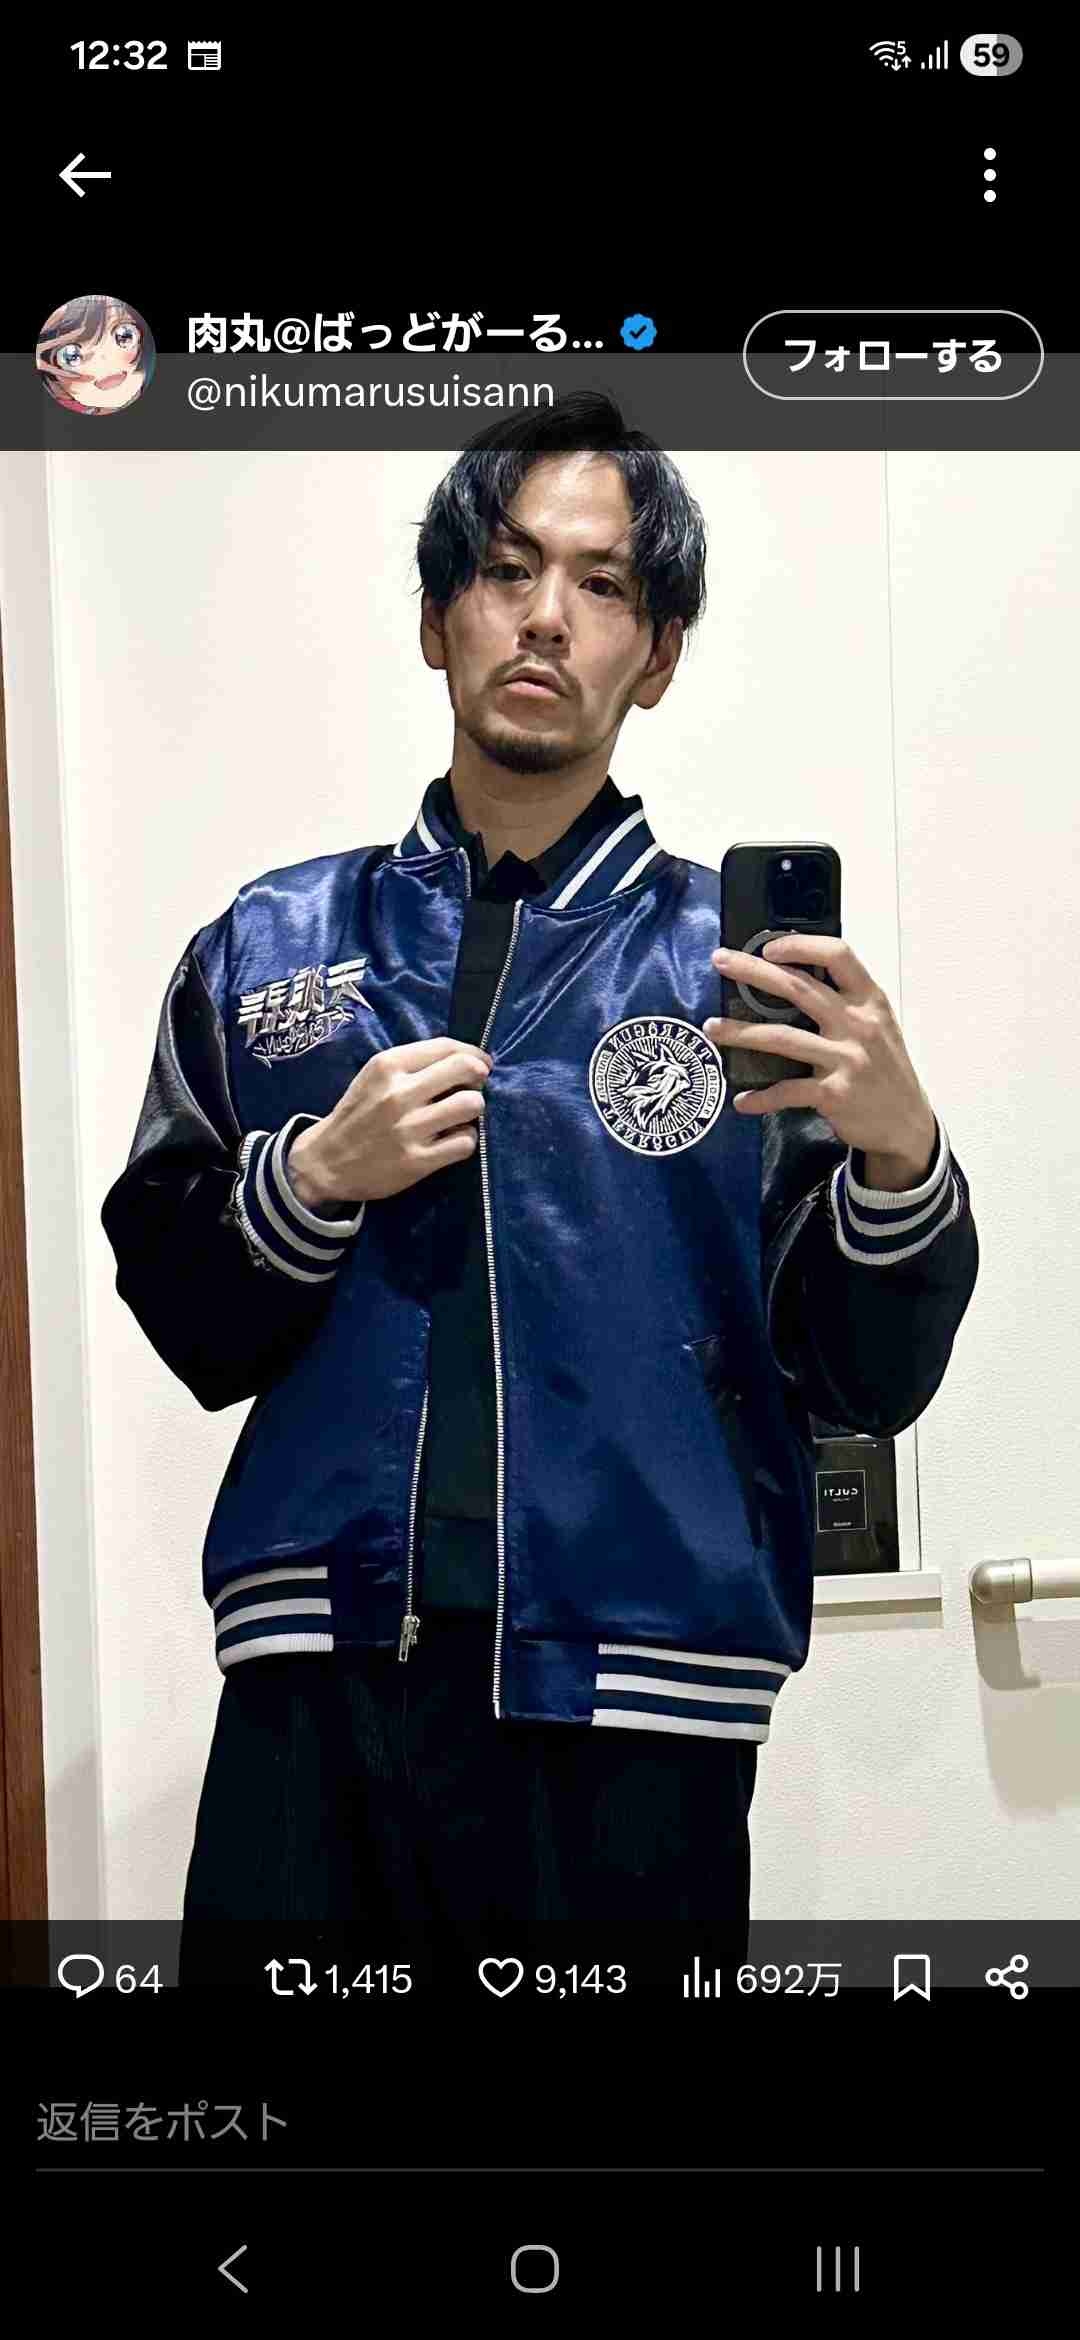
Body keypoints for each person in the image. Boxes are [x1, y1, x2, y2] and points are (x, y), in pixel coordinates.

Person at [101, 394, 979, 1974]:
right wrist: (314, 1178)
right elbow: (182, 1312)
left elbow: (864, 1374)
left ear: (659, 654)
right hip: (314, 1692)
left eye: (602, 583)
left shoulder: (745, 976)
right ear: (436, 619)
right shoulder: (269, 948)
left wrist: (902, 1157)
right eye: (507, 571)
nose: (546, 617)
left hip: (641, 1714)